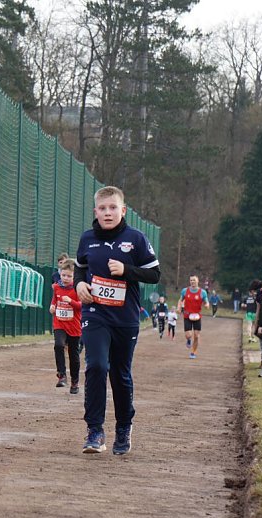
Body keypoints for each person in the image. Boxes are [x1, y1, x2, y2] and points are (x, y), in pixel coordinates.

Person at [74, 186, 160, 455]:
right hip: (95, 314)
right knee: (97, 366)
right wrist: (78, 286)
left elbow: (154, 274)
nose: (108, 213)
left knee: (119, 374)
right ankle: (95, 430)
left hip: (125, 317)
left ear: (123, 211)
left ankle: (124, 427)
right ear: (95, 212)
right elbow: (80, 268)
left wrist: (127, 271)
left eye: (113, 208)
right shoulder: (87, 239)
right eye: (102, 208)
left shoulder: (135, 239)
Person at [49, 260, 82, 394]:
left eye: (69, 276)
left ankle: (75, 382)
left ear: (74, 277)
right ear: (60, 274)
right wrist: (52, 307)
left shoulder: (78, 288)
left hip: (74, 326)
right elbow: (54, 300)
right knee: (58, 345)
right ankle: (61, 375)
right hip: (59, 323)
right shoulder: (57, 287)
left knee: (73, 355)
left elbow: (81, 305)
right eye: (63, 275)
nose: (66, 278)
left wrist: (71, 302)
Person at [177, 275, 209, 359]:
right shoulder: (185, 291)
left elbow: (206, 302)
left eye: (194, 280)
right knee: (188, 335)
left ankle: (193, 352)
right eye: (191, 280)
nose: (192, 282)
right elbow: (180, 300)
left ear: (198, 281)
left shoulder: (202, 292)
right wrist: (179, 307)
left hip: (197, 316)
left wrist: (207, 305)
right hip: (187, 315)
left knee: (197, 336)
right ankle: (188, 340)